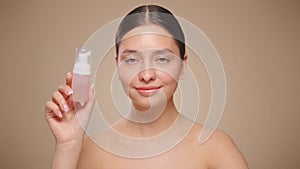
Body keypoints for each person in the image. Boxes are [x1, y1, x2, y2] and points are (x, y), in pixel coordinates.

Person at [45, 4, 248, 169]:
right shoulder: (86, 152)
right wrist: (68, 144)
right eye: (132, 60)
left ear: (183, 65)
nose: (147, 75)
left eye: (161, 59)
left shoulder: (217, 148)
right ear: (118, 66)